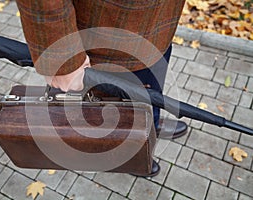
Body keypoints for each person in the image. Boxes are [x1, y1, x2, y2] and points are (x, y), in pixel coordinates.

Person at [15, 0, 187, 176]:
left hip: (161, 24)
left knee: (152, 92)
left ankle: (151, 124)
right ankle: (134, 155)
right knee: (118, 113)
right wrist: (62, 59)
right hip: (112, 32)